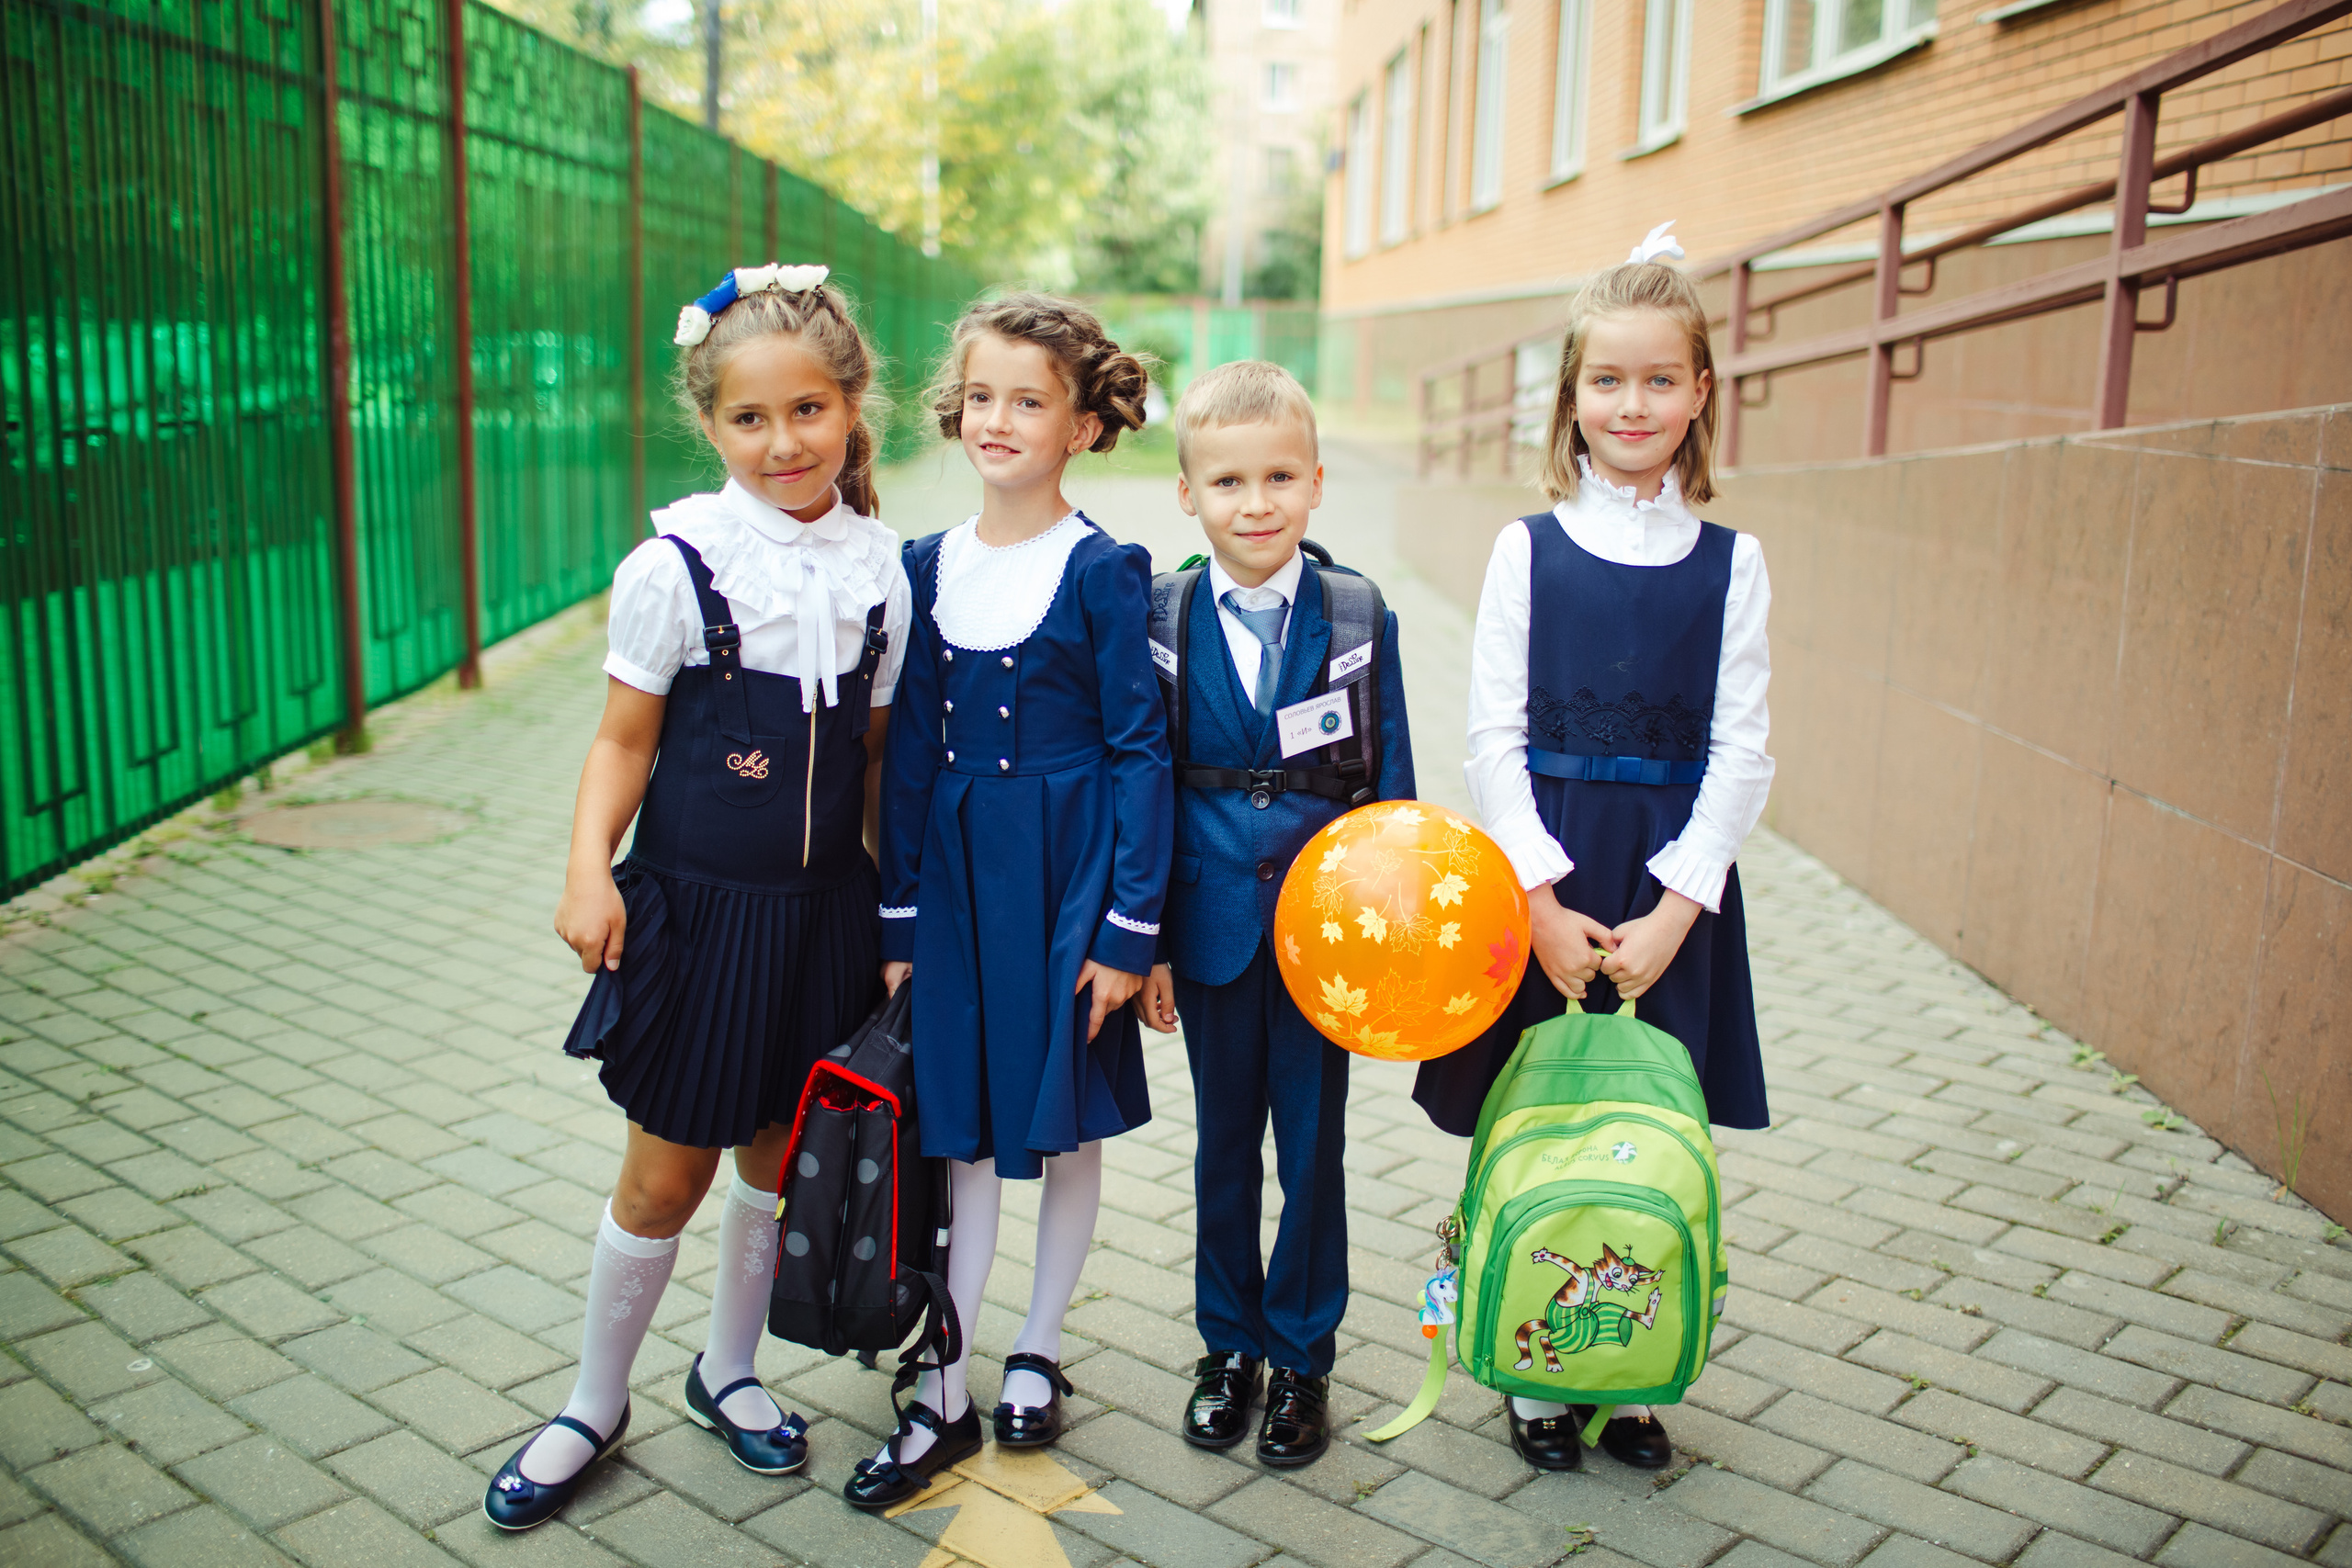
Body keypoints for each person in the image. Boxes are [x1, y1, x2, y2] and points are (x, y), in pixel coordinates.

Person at [483, 265, 911, 1531]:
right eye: (749, 418)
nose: (784, 442)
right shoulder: (677, 565)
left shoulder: (886, 572)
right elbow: (622, 742)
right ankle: (591, 1401)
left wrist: (898, 923)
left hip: (825, 923)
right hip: (701, 920)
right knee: (663, 1183)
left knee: (776, 1170)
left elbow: (875, 763)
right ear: (710, 424)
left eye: (808, 410)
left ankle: (729, 1369)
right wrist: (586, 868)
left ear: (851, 407)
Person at [1412, 225, 1772, 1474]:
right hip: (1552, 878)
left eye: (1659, 380)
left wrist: (1678, 908)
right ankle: (1530, 1365)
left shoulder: (1733, 564)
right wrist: (1539, 900)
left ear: (1700, 392)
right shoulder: (1528, 548)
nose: (1633, 404)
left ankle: (1632, 1363)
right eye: (1608, 380)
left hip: (1668, 887)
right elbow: (1491, 737)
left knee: (1648, 1125)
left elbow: (1744, 751)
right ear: (1571, 394)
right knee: (1538, 1116)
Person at [847, 294, 1172, 1509]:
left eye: (1029, 401)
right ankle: (944, 1376)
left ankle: (1038, 1344)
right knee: (961, 1128)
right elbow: (906, 761)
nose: (998, 419)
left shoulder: (1103, 570)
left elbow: (1139, 752)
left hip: (1069, 879)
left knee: (1067, 1118)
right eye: (980, 395)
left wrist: (1128, 930)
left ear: (1082, 426)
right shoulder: (924, 566)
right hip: (958, 887)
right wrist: (900, 917)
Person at [1136, 361, 1414, 1469]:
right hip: (1207, 930)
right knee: (1221, 1149)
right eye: (1228, 482)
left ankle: (1302, 1355)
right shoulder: (1159, 618)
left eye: (1280, 478)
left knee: (1311, 1149)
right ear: (1187, 493)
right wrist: (1149, 942)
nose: (1255, 504)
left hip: (1323, 939)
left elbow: (1390, 793)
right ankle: (1227, 1347)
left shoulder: (1356, 613)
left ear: (1315, 483)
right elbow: (1143, 791)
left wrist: (1388, 947)